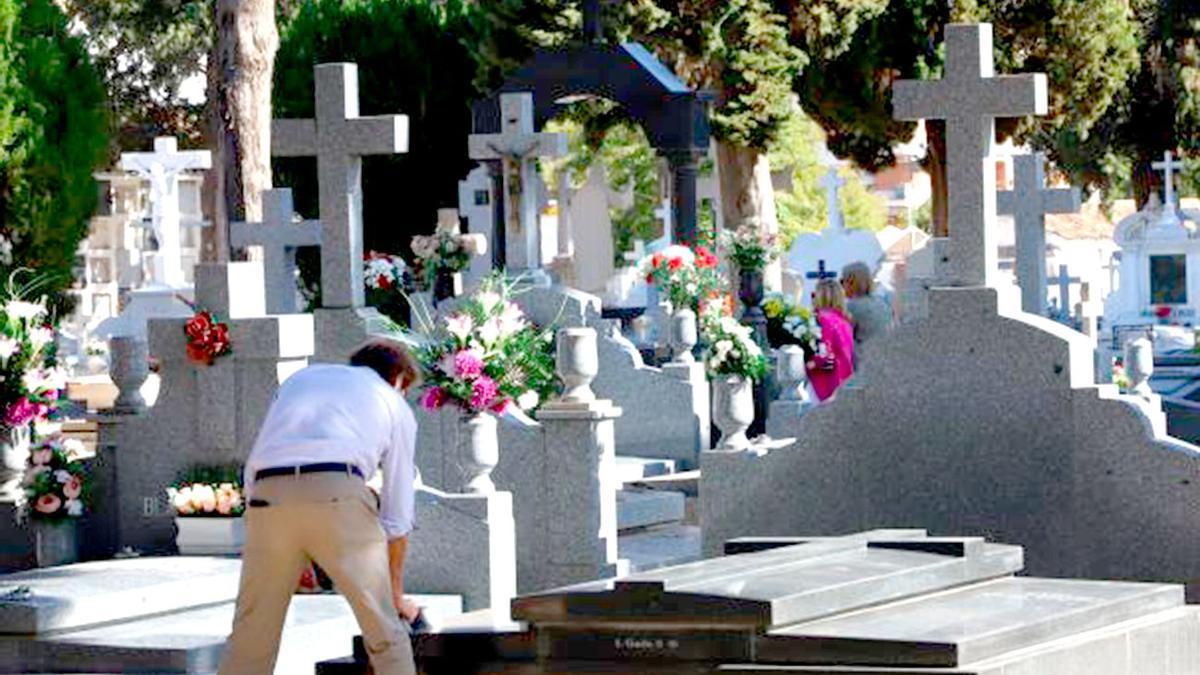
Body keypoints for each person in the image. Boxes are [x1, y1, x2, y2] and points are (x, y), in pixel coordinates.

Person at [217, 339, 422, 675]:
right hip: (338, 493)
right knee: (385, 632)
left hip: (267, 496)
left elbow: (262, 454)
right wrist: (395, 595)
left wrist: (290, 543)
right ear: (398, 378)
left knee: (251, 635)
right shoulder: (391, 402)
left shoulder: (302, 379)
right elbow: (397, 517)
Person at [807, 278, 855, 402]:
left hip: (828, 381)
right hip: (844, 378)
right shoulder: (844, 321)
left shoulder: (823, 319)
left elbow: (824, 353)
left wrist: (809, 365)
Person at [840, 261, 894, 347]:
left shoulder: (852, 307)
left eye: (842, 281)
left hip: (865, 355)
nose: (841, 286)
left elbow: (843, 339)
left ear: (851, 282)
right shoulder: (881, 302)